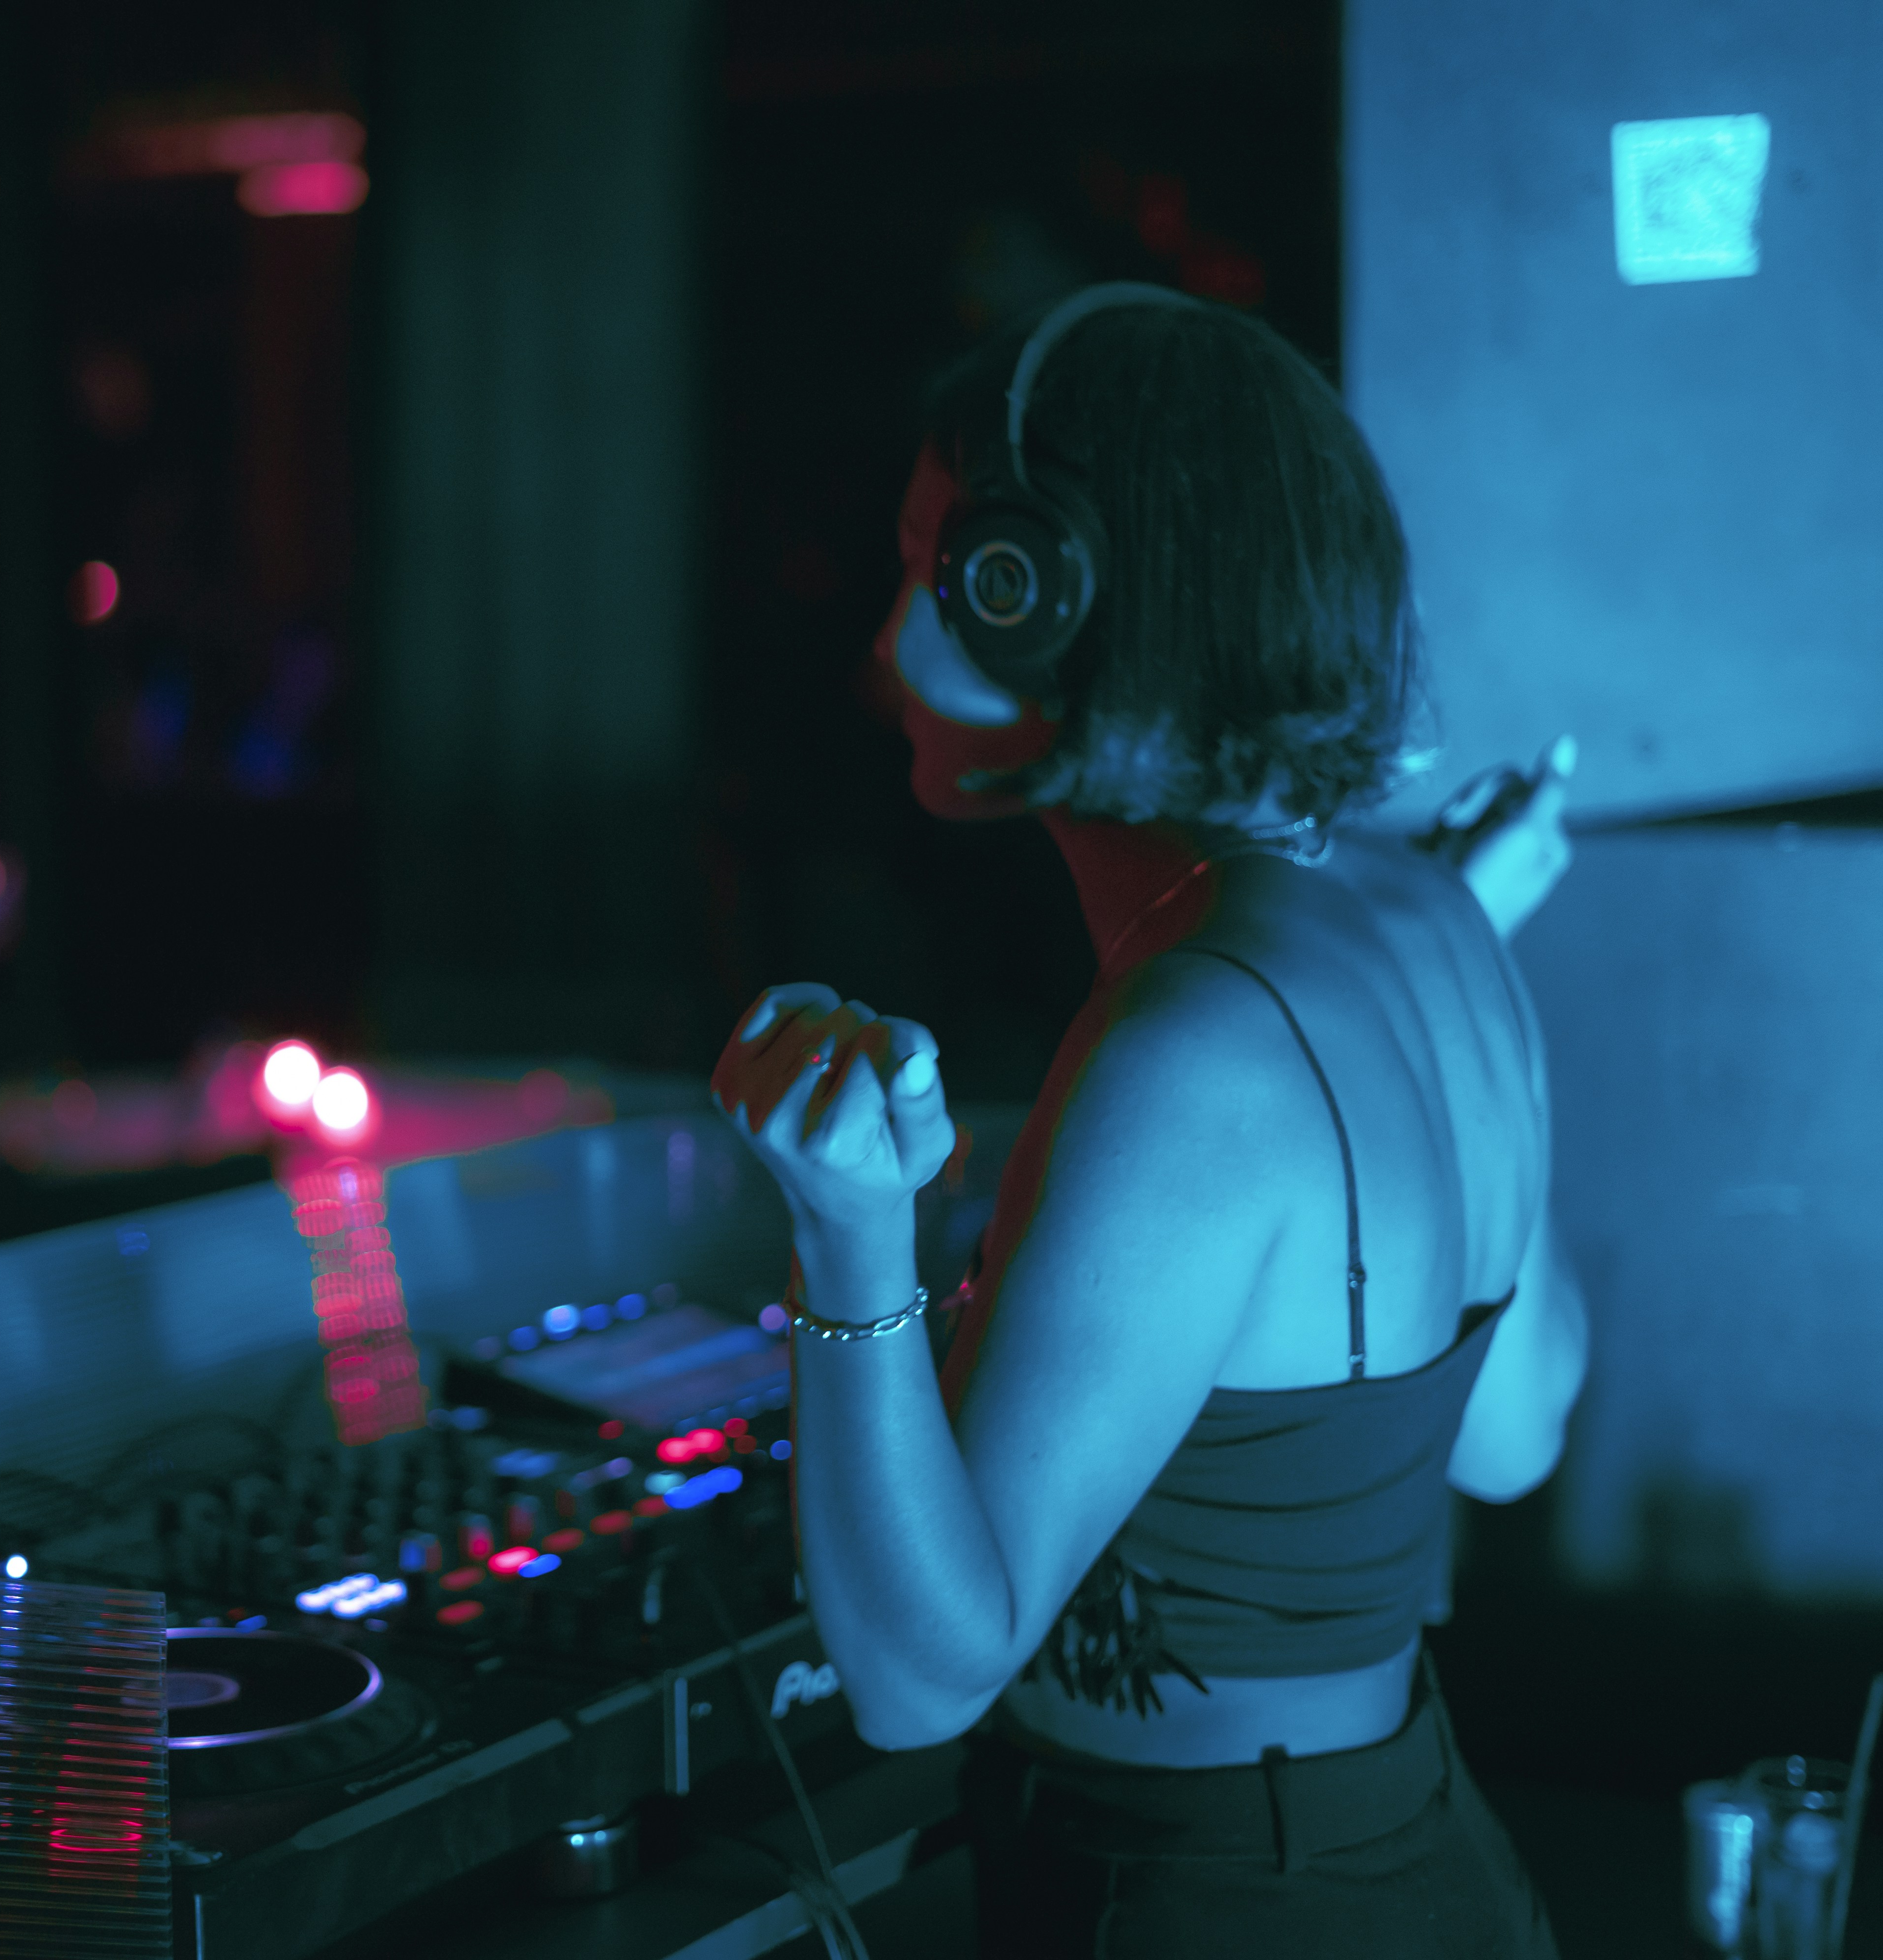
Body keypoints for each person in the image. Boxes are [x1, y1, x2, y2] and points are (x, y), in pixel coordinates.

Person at [711, 289, 1587, 1957]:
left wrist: (849, 1233)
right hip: (1404, 1860)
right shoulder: (1441, 926)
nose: (890, 644)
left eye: (940, 573)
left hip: (1212, 1896)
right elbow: (1512, 1431)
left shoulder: (1195, 1042)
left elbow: (916, 1676)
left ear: (1058, 603)